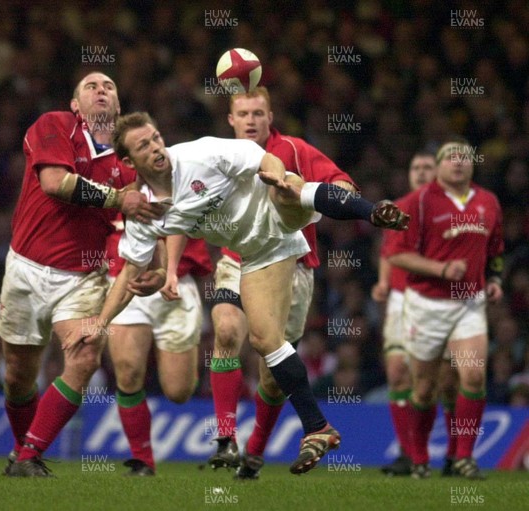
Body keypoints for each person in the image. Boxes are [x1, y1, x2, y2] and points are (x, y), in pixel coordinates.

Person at [62, 111, 409, 474]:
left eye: (155, 138)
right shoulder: (147, 210)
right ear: (129, 161)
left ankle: (373, 212)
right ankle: (318, 428)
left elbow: (264, 157)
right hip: (257, 255)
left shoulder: (201, 153)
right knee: (264, 340)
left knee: (289, 190)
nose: (156, 148)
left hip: (276, 213)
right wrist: (99, 322)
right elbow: (129, 272)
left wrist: (275, 174)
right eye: (143, 146)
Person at [177, 87, 357, 479]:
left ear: (270, 116)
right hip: (237, 259)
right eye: (243, 113)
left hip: (293, 266)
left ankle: (255, 451)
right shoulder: (220, 156)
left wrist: (324, 197)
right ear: (230, 119)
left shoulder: (293, 150)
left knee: (272, 377)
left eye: (258, 112)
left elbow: (344, 186)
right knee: (225, 329)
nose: (251, 120)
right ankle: (227, 440)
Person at [0, 72, 163, 477]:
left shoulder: (129, 167)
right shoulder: (53, 125)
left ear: (119, 107)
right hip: (25, 269)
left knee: (86, 355)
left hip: (82, 278)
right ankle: (22, 448)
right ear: (76, 105)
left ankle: (27, 456)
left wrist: (158, 269)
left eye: (109, 86)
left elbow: (141, 224)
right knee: (19, 377)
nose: (101, 90)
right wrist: (118, 199)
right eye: (90, 87)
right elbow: (55, 183)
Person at [387, 138, 504, 479]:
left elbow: (495, 250)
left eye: (465, 157)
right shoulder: (418, 202)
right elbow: (397, 254)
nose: (458, 162)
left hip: (468, 303)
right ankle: (420, 458)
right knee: (424, 388)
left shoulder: (488, 202)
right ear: (438, 166)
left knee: (472, 374)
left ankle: (464, 457)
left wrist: (494, 279)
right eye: (450, 158)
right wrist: (440, 269)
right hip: (426, 304)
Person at [372, 151, 459, 476]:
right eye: (415, 167)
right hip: (401, 298)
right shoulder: (399, 208)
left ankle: (453, 456)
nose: (421, 172)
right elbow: (388, 251)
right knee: (397, 373)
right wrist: (382, 282)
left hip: (441, 300)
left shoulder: (453, 210)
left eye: (427, 167)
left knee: (447, 380)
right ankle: (409, 455)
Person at [106, 220, 212, 476]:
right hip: (125, 278)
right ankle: (142, 460)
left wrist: (169, 268)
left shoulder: (184, 180)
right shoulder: (114, 181)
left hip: (177, 283)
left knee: (179, 391)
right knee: (128, 371)